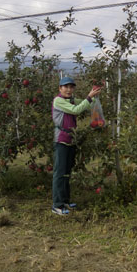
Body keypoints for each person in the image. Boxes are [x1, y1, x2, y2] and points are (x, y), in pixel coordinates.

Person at [51, 76, 102, 215]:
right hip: (61, 140)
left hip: (71, 139)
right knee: (60, 173)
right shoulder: (58, 101)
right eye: (65, 87)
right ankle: (57, 204)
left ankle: (65, 201)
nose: (68, 89)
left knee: (67, 172)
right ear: (60, 89)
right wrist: (89, 97)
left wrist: (95, 98)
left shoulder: (71, 100)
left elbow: (87, 104)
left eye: (71, 87)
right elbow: (76, 110)